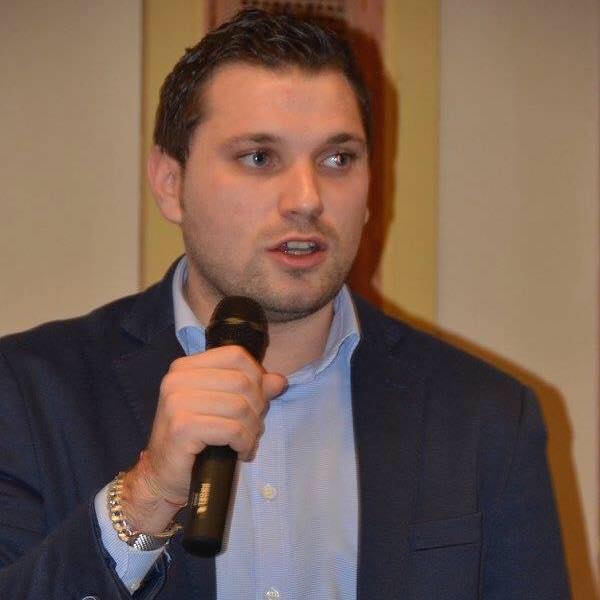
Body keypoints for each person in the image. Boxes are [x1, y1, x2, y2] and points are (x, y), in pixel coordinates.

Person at [0, 8, 569, 600]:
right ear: (171, 183)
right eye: (259, 157)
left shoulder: (486, 417)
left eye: (337, 159)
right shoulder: (27, 393)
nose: (306, 198)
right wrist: (145, 497)